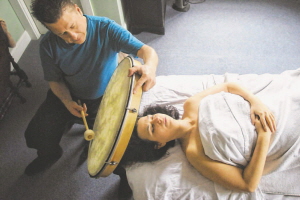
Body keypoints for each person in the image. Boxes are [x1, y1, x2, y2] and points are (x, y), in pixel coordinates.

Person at [25, 0, 158, 197]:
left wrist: (150, 67)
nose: (72, 37)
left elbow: (147, 51)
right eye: (62, 34)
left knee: (120, 150)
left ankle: (126, 179)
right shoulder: (47, 46)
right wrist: (67, 101)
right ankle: (50, 154)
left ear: (78, 11)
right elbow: (55, 81)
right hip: (68, 96)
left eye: (72, 26)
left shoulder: (105, 28)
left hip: (105, 98)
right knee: (35, 134)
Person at [121, 82, 278, 193]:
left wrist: (256, 102)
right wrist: (264, 135)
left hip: (267, 108)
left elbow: (229, 86)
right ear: (159, 144)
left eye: (152, 117)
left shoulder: (191, 104)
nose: (157, 120)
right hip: (273, 132)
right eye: (152, 128)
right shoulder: (193, 152)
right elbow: (247, 185)